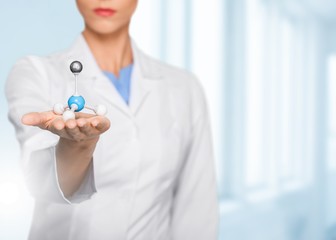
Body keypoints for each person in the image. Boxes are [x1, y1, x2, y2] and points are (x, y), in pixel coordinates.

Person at [5, 0, 219, 239]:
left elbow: (197, 210)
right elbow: (40, 179)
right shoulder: (35, 73)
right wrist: (76, 147)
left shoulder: (184, 88)